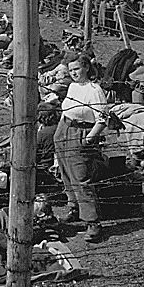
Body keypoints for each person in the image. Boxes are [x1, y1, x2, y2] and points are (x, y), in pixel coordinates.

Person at [53, 54, 107, 242]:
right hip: (64, 130)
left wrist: (88, 140)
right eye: (71, 70)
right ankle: (73, 207)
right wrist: (59, 132)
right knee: (66, 172)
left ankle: (92, 222)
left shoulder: (94, 90)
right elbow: (67, 109)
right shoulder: (73, 86)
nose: (74, 73)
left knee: (81, 177)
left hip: (81, 133)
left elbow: (102, 119)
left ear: (86, 68)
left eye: (77, 69)